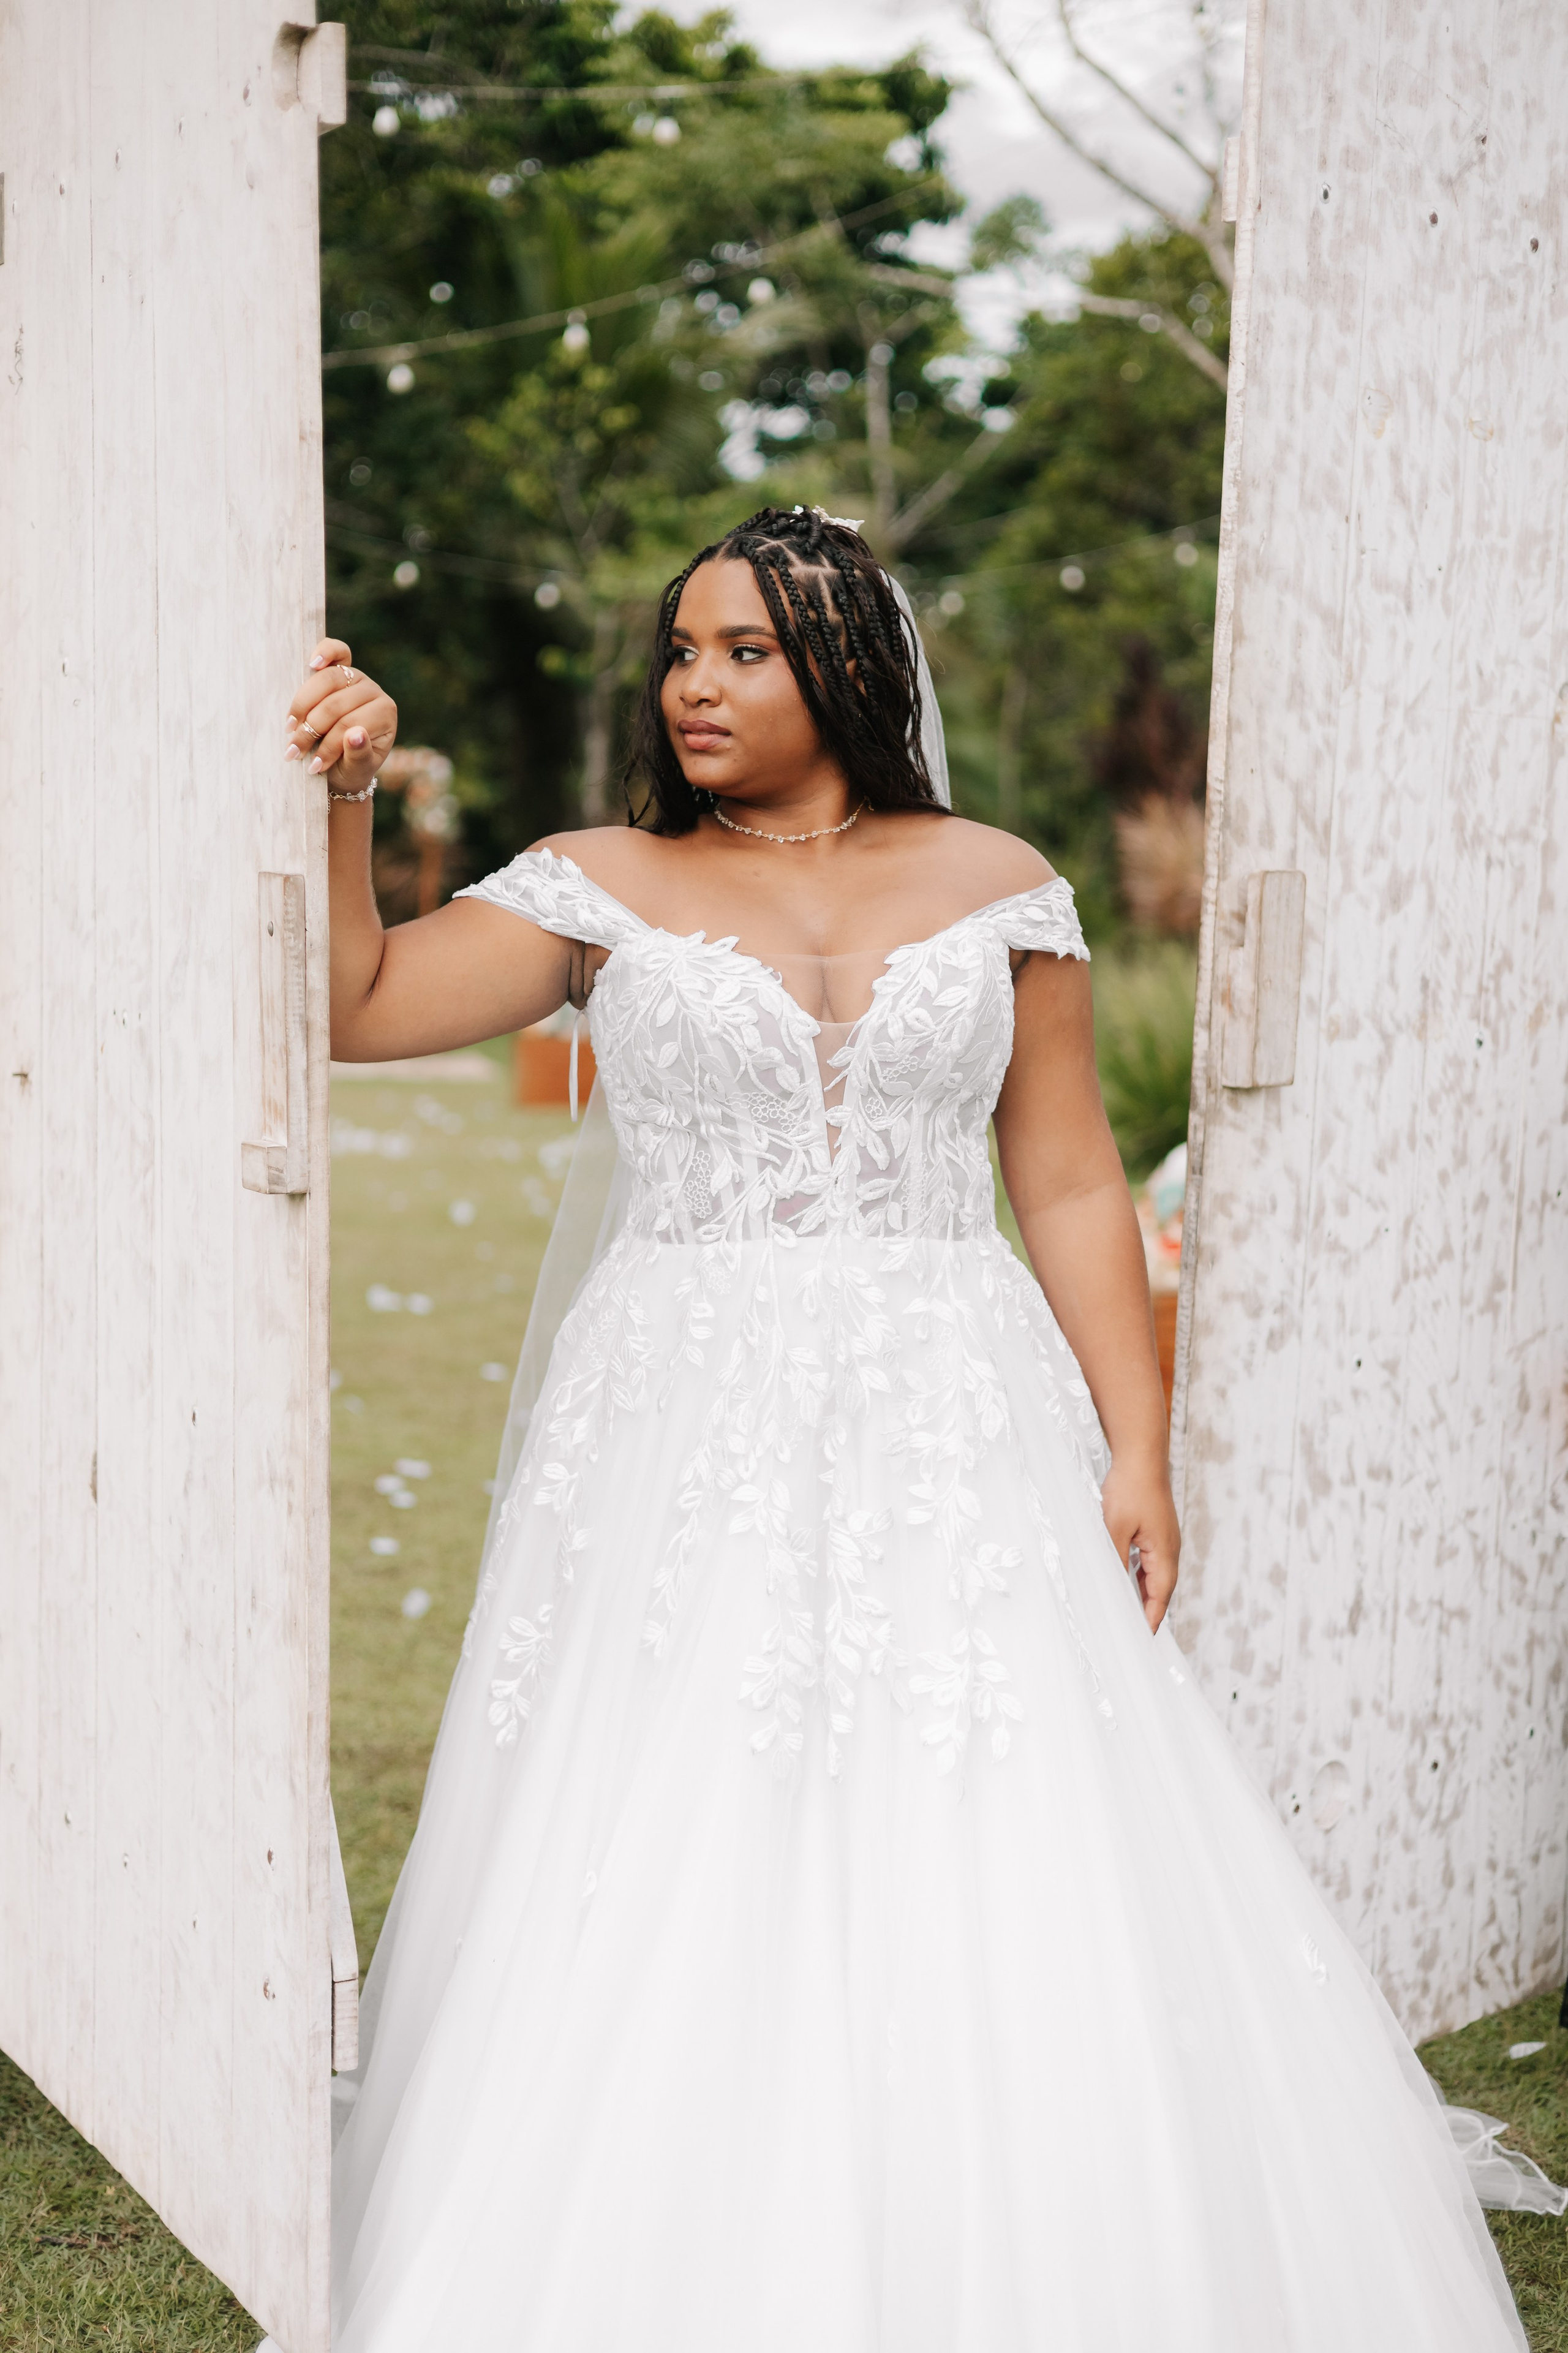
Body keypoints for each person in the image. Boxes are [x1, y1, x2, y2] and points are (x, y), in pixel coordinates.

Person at [293, 507, 1525, 2351]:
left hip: (956, 1404)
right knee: (680, 1780)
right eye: (684, 650)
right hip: (684, 1412)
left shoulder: (1001, 884)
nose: (696, 685)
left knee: (994, 1775)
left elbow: (1073, 1181)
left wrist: (1138, 1446)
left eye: (747, 652)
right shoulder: (597, 882)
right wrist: (347, 795)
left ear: (853, 667)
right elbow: (361, 1002)